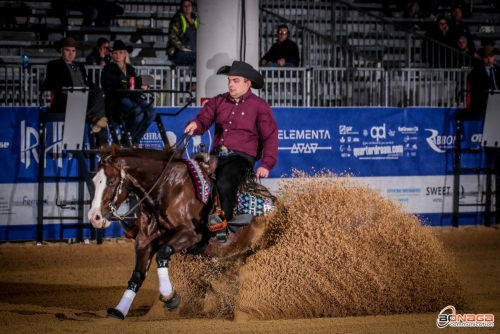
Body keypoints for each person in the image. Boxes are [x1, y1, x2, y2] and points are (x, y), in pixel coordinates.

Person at [184, 61, 278, 243]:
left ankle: (222, 222)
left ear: (247, 83)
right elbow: (203, 120)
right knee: (188, 175)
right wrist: (195, 125)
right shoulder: (218, 101)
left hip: (241, 158)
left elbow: (270, 137)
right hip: (216, 156)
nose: (231, 84)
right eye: (229, 80)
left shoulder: (259, 106)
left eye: (235, 80)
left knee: (226, 181)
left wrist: (266, 164)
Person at [44, 37, 108, 146]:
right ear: (61, 51)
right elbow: (48, 84)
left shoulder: (79, 66)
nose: (71, 53)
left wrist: (95, 88)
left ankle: (100, 134)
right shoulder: (54, 65)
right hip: (67, 99)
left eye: (73, 51)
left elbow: (87, 81)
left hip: (84, 96)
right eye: (68, 50)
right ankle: (101, 139)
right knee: (97, 105)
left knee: (98, 92)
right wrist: (68, 90)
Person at [101, 40, 157, 148]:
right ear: (113, 54)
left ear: (125, 54)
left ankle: (136, 141)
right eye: (116, 53)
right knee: (137, 112)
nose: (118, 55)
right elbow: (107, 88)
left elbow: (134, 84)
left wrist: (140, 87)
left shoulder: (130, 69)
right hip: (116, 99)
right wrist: (123, 87)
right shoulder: (107, 69)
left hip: (132, 97)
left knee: (151, 112)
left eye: (120, 52)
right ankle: (126, 141)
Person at [467, 44, 499, 113]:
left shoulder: (498, 70)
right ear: (482, 58)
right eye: (486, 57)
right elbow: (477, 89)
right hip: (483, 101)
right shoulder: (476, 71)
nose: (489, 60)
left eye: (491, 57)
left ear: (494, 57)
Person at [166, 0, 197, 66]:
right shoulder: (177, 20)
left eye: (189, 5)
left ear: (192, 7)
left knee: (200, 59)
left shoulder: (196, 19)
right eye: (185, 6)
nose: (187, 7)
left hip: (193, 52)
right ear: (182, 8)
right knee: (195, 58)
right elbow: (172, 36)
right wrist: (182, 48)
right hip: (179, 52)